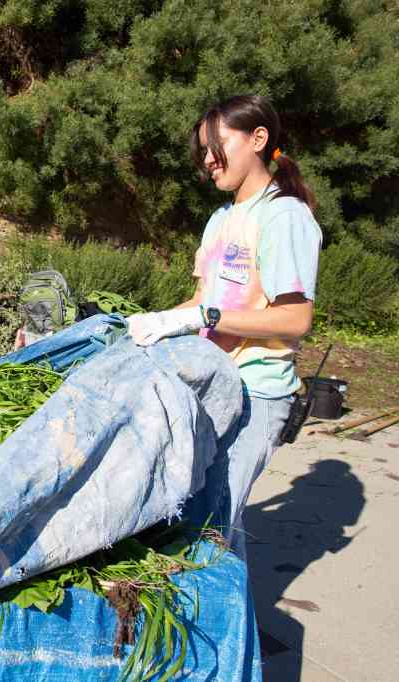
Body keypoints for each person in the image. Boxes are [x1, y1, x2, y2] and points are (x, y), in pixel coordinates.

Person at [126, 95, 322, 550]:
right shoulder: (220, 220)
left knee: (209, 531)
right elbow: (200, 300)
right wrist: (150, 321)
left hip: (255, 391)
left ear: (258, 139)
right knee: (203, 523)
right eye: (203, 151)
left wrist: (205, 316)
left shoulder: (283, 214)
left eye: (217, 145)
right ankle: (230, 619)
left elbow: (295, 318)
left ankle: (222, 619)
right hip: (212, 383)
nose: (209, 160)